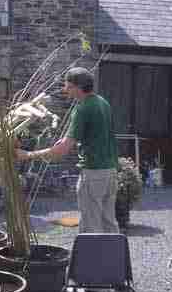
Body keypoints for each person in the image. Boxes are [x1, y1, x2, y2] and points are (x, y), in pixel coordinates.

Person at [22, 67, 119, 234]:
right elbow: (96, 134)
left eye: (67, 86)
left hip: (93, 173)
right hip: (110, 171)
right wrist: (70, 140)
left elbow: (62, 151)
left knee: (91, 226)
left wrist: (28, 155)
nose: (64, 89)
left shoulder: (82, 109)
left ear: (77, 87)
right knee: (108, 223)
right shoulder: (102, 102)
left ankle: (92, 260)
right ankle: (115, 259)